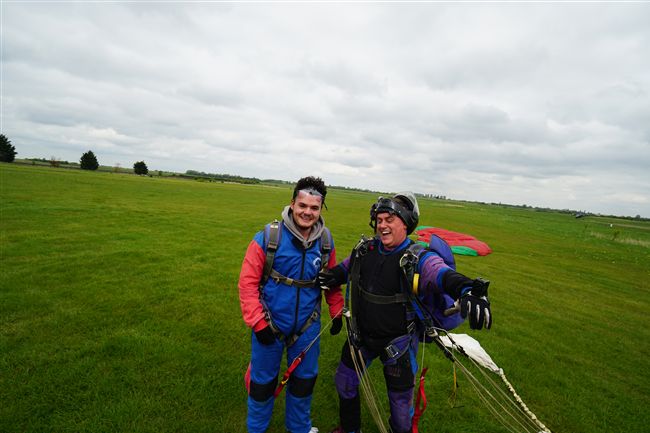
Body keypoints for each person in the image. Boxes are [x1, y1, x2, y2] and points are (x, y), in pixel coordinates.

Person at [318, 192, 492, 433]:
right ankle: (349, 430)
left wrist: (467, 289)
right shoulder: (366, 250)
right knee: (344, 382)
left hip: (397, 346)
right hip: (361, 338)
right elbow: (346, 269)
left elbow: (441, 274)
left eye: (390, 219)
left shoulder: (417, 258)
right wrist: (330, 276)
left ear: (406, 224)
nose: (382, 225)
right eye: (379, 220)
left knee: (401, 414)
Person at [239, 176, 345, 433]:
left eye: (314, 207)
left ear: (321, 209)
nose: (307, 212)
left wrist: (336, 309)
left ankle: (299, 428)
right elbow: (247, 283)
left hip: (308, 326)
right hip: (270, 323)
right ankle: (256, 430)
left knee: (304, 382)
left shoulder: (325, 241)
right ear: (293, 203)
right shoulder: (268, 237)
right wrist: (258, 322)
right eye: (302, 205)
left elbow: (330, 279)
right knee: (262, 384)